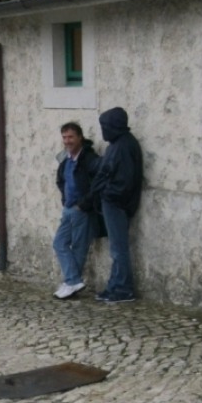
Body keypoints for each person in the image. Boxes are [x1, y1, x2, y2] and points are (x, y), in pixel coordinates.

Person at [91, 106, 143, 304]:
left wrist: (107, 194)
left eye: (105, 126)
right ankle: (114, 285)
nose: (103, 131)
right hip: (111, 202)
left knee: (118, 248)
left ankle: (122, 288)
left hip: (116, 203)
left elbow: (125, 180)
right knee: (115, 246)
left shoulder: (124, 146)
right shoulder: (117, 145)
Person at [52, 122, 101, 299]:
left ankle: (71, 282)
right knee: (59, 242)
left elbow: (98, 184)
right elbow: (60, 180)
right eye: (64, 137)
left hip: (82, 210)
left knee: (80, 247)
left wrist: (84, 204)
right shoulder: (66, 159)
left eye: (71, 137)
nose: (67, 141)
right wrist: (66, 200)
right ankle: (73, 281)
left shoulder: (89, 159)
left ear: (80, 137)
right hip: (68, 209)